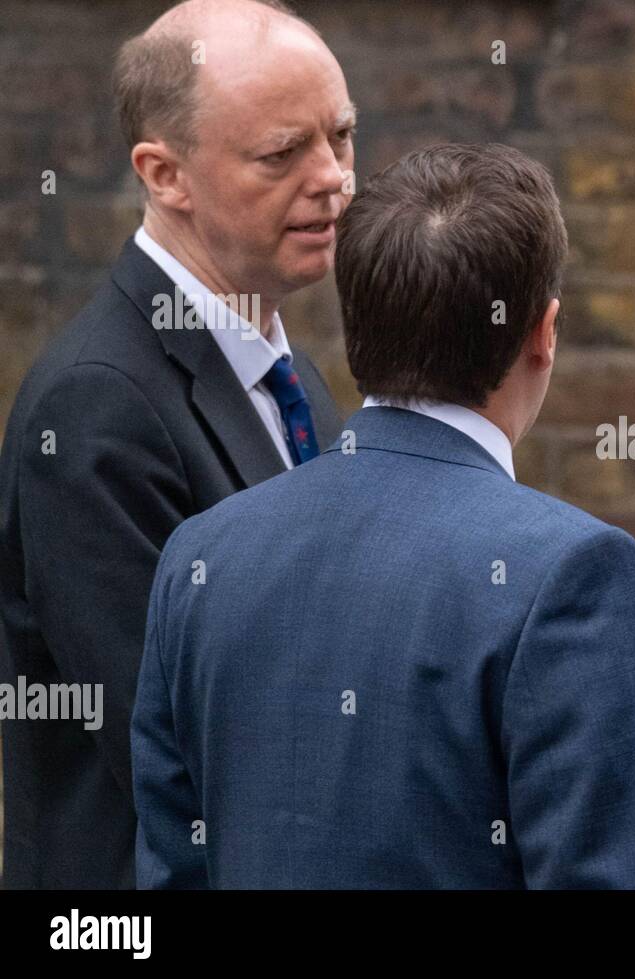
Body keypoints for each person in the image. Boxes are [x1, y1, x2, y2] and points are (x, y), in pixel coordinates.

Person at [131, 143, 635, 889]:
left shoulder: (201, 556)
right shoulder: (573, 574)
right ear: (545, 332)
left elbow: (173, 872)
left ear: (357, 322)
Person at [0, 0, 346, 888]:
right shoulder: (94, 405)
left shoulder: (288, 370)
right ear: (164, 173)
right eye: (283, 154)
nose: (335, 178)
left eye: (342, 137)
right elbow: (179, 743)